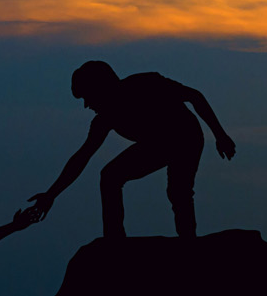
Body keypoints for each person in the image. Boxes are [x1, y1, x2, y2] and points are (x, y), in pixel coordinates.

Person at [25, 61, 235, 239]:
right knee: (110, 177)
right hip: (157, 144)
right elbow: (82, 157)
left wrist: (220, 135)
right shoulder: (104, 120)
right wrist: (51, 194)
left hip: (186, 137)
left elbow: (194, 96)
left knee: (179, 192)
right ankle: (114, 240)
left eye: (88, 97)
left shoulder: (146, 84)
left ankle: (188, 243)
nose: (87, 105)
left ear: (101, 88)